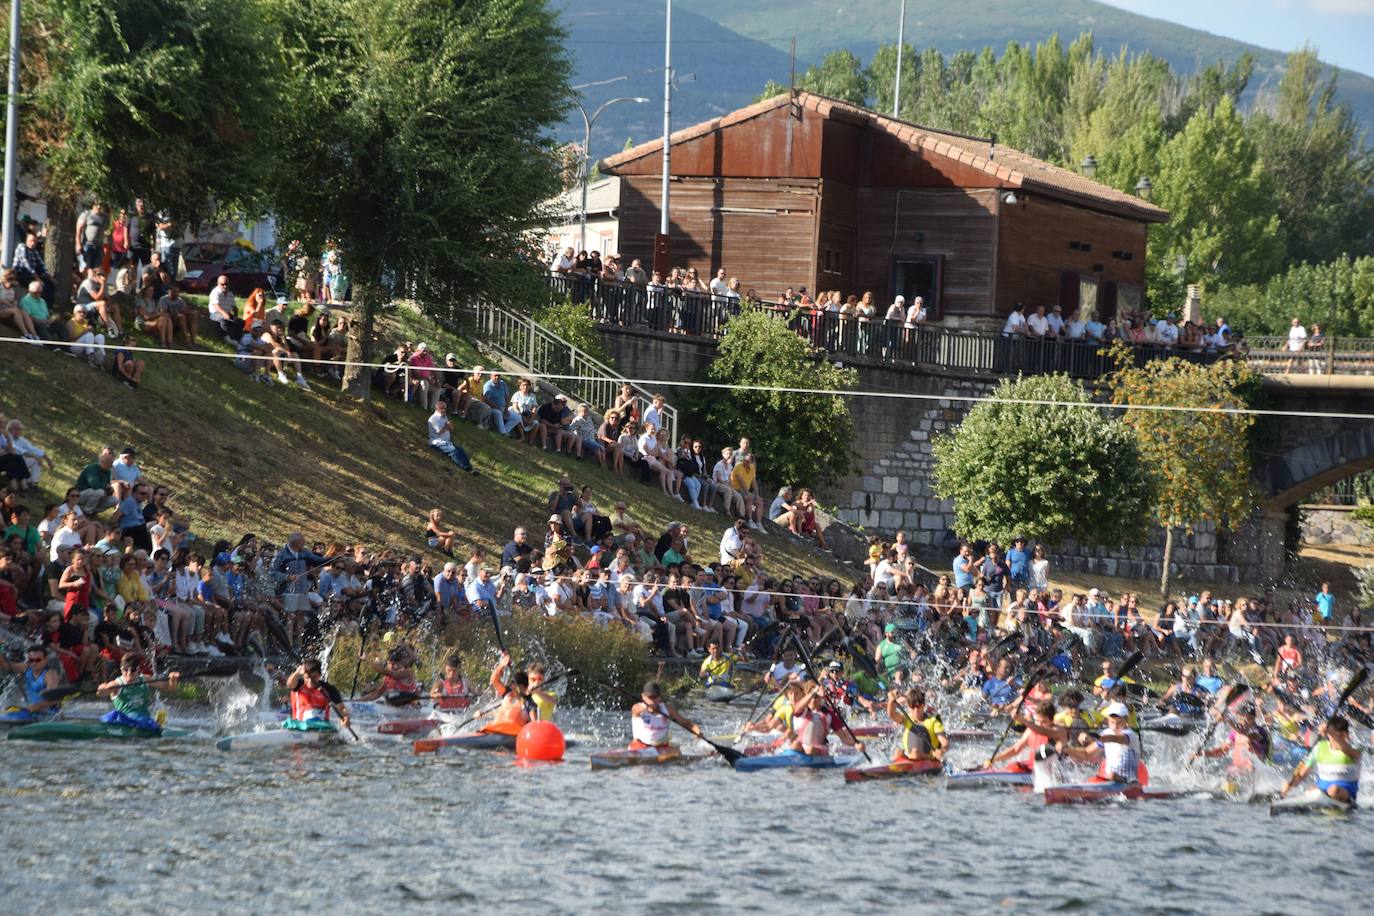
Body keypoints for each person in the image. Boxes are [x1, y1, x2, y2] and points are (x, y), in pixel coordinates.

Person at [1279, 715, 1361, 805]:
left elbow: (1347, 750)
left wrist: (1331, 732)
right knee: (1311, 790)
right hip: (1321, 793)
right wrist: (1289, 786)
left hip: (1345, 795)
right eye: (1334, 736)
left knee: (1334, 789)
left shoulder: (1355, 749)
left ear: (1347, 735)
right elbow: (1302, 775)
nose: (1336, 740)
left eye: (1341, 736)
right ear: (1328, 736)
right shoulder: (1319, 747)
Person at [1059, 701, 1145, 785]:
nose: (1114, 727)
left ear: (1126, 719)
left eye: (1119, 722)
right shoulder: (1106, 732)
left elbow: (1113, 738)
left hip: (1129, 780)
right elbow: (1086, 754)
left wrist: (1091, 737)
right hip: (1109, 780)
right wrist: (1067, 749)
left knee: (1112, 775)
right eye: (1112, 722)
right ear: (1108, 720)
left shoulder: (1130, 735)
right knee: (1104, 775)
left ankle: (1126, 782)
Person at [95, 653, 181, 732]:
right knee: (114, 715)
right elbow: (101, 694)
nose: (128, 674)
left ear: (138, 670)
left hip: (143, 720)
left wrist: (173, 680)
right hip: (124, 720)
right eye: (125, 670)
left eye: (132, 670)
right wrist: (102, 689)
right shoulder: (116, 684)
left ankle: (156, 725)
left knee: (147, 722)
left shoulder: (145, 680)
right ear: (121, 670)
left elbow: (169, 689)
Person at [629, 680, 704, 750]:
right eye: (649, 697)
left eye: (654, 697)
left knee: (677, 751)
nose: (652, 700)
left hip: (662, 747)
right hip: (640, 746)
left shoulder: (667, 709)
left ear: (659, 698)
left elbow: (687, 723)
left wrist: (698, 731)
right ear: (643, 697)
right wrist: (648, 706)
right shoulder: (637, 708)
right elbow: (637, 710)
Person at [284, 658, 352, 732]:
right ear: (303, 676)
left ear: (319, 675)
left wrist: (345, 718)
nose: (310, 681)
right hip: (299, 725)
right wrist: (297, 673)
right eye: (307, 678)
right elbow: (289, 684)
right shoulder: (298, 684)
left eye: (314, 677)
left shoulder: (329, 689)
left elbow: (341, 708)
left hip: (321, 727)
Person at [887, 686, 948, 762]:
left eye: (918, 706)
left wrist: (942, 750)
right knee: (898, 753)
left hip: (930, 758)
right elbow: (891, 714)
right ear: (908, 707)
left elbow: (944, 742)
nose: (916, 710)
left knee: (915, 753)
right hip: (911, 757)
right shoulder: (907, 718)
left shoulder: (934, 720)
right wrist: (891, 701)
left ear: (924, 706)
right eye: (912, 707)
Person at [2, 646, 61, 718]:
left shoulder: (50, 674)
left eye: (38, 660)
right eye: (31, 660)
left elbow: (55, 699)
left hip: (47, 713)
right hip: (31, 711)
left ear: (45, 660)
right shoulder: (26, 667)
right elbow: (8, 666)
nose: (34, 663)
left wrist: (38, 705)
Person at [427, 400, 478, 475]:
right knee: (454, 451)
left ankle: (469, 466)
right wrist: (446, 426)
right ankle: (467, 468)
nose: (443, 410)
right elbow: (438, 432)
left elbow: (451, 429)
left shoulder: (444, 417)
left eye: (444, 408)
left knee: (460, 450)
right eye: (441, 408)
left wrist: (450, 426)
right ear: (437, 408)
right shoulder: (434, 418)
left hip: (446, 442)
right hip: (437, 442)